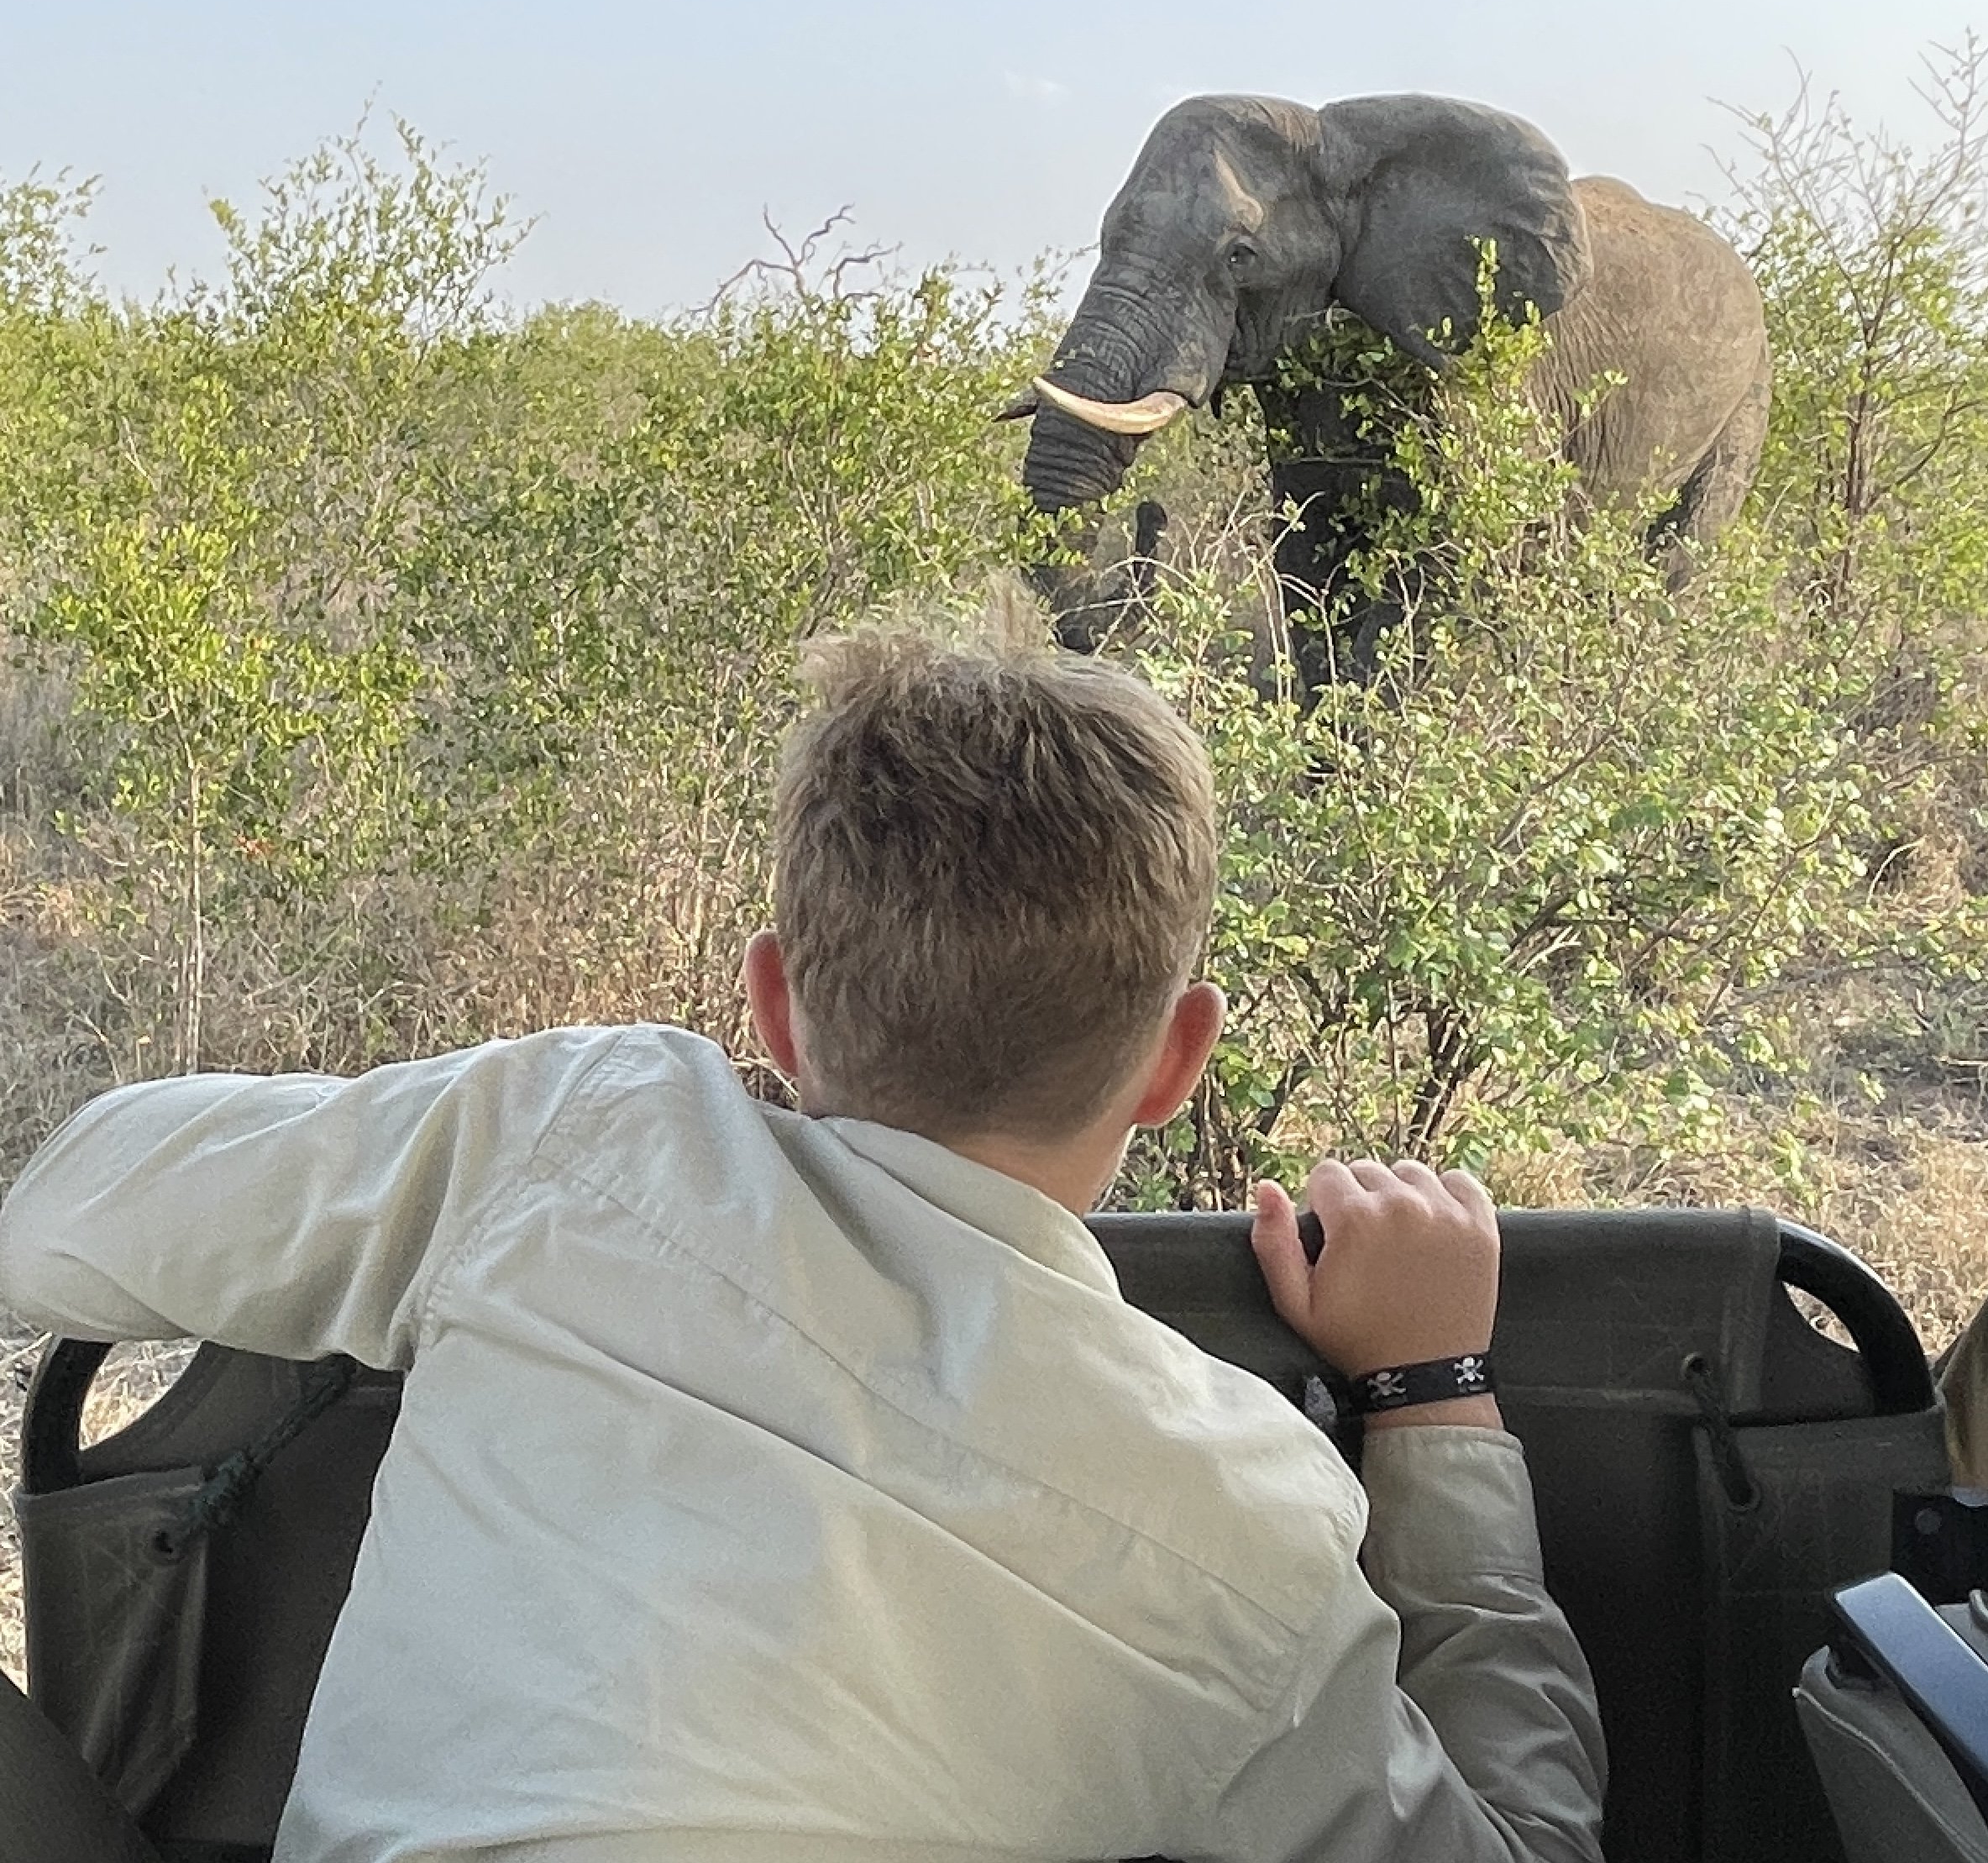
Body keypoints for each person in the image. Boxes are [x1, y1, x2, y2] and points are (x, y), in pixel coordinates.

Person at [0, 605, 1605, 1863]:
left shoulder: (574, 1138)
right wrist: (1435, 1395)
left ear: (771, 1002)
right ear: (1180, 1061)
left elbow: (68, 1208)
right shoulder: (1241, 1530)